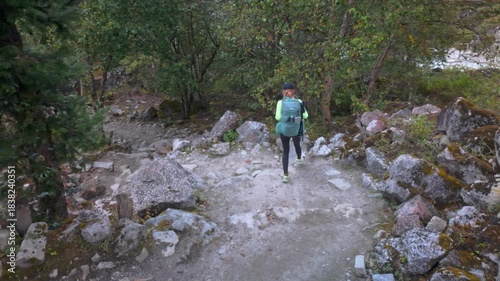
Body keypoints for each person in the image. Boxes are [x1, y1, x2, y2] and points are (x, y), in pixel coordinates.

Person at [275, 82, 308, 183]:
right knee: (297, 144)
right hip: (296, 129)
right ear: (293, 91)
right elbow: (306, 116)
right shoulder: (299, 101)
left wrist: (286, 118)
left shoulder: (280, 102)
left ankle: (285, 175)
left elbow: (277, 117)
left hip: (285, 130)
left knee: (286, 151)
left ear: (283, 92)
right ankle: (299, 159)